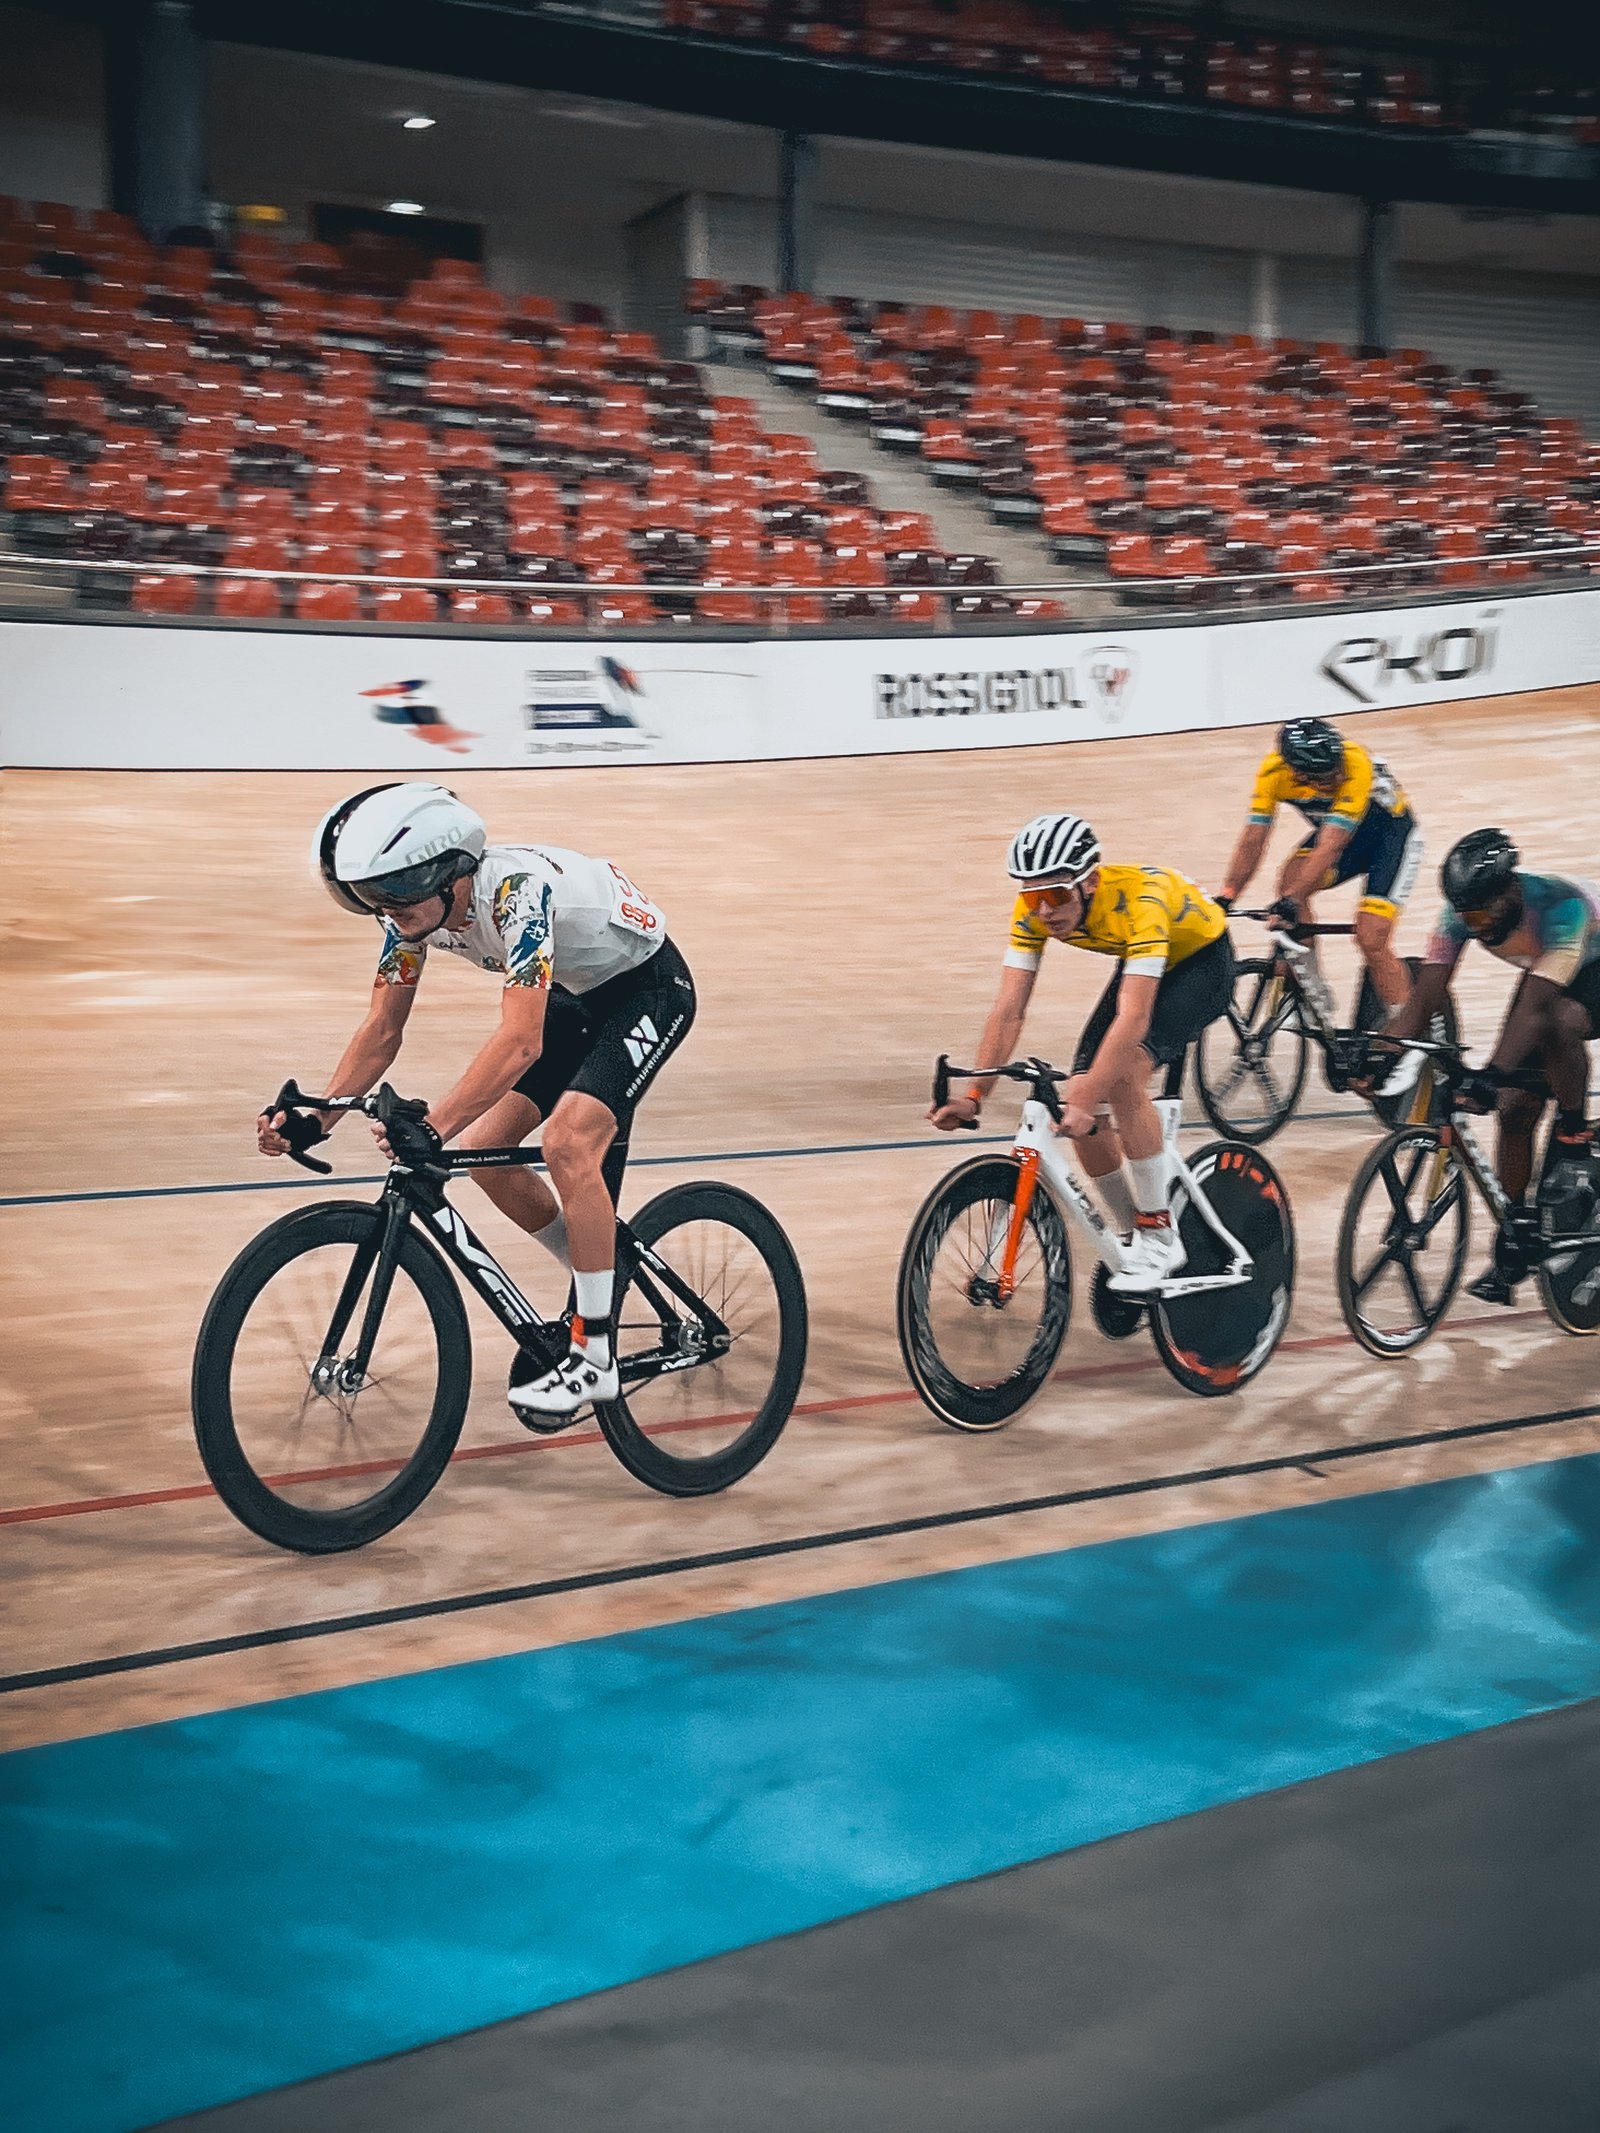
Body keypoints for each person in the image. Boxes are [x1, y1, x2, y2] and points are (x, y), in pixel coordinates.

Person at [257, 782, 696, 1420]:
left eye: (396, 893)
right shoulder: (409, 920)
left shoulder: (518, 894)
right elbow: (382, 1030)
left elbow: (521, 1041)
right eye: (372, 897)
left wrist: (432, 1125)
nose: (386, 911)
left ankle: (595, 1355)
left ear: (448, 874)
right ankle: (604, 1270)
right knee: (486, 1149)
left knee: (568, 1142)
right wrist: (317, 1116)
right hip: (576, 996)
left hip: (647, 991)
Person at [929, 811, 1234, 1291]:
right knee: (1079, 1093)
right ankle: (1131, 1233)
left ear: (1089, 882)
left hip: (1201, 964)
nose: (1044, 911)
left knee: (1118, 1079)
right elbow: (1009, 1009)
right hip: (1144, 960)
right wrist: (974, 1096)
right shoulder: (1033, 913)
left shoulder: (1141, 903)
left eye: (1055, 895)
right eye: (1031, 896)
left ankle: (1160, 1235)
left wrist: (1089, 1096)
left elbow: (1133, 1017)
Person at [1372, 828, 1600, 1303]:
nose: (1475, 926)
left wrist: (1491, 1073)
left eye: (1482, 914)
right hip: (1552, 968)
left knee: (1556, 1021)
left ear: (1510, 889)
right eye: (1467, 916)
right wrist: (1382, 1050)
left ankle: (1575, 1135)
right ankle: (1515, 1234)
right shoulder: (1460, 913)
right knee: (1514, 1110)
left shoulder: (1561, 907)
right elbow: (1425, 999)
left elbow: (1535, 1011)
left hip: (1591, 965)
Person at [1216, 716, 1421, 1017]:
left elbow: (1331, 845)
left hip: (1391, 841)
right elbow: (1253, 840)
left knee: (1371, 938)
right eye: (1327, 777)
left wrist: (1293, 900)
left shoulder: (1356, 763)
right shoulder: (1274, 773)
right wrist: (1228, 895)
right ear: (1297, 774)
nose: (1337, 778)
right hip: (1346, 839)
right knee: (1290, 882)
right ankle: (1313, 989)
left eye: (1337, 769)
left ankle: (1406, 1025)